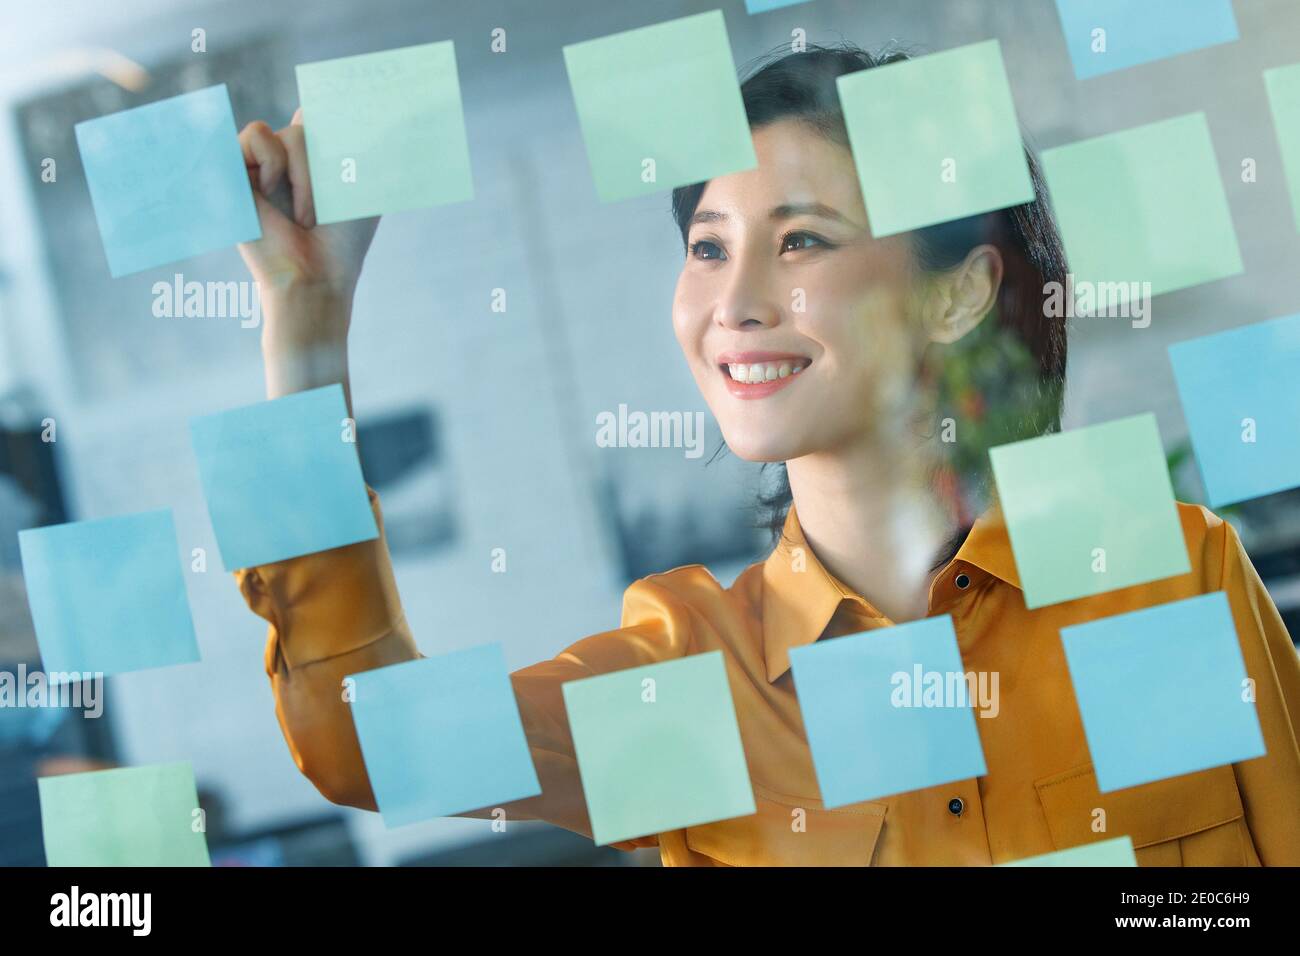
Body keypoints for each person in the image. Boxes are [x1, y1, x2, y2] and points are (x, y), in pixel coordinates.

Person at [232, 44, 1300, 865]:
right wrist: (307, 327)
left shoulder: (1166, 574)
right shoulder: (699, 680)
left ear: (956, 291)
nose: (732, 304)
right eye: (706, 246)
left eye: (801, 240)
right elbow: (366, 736)